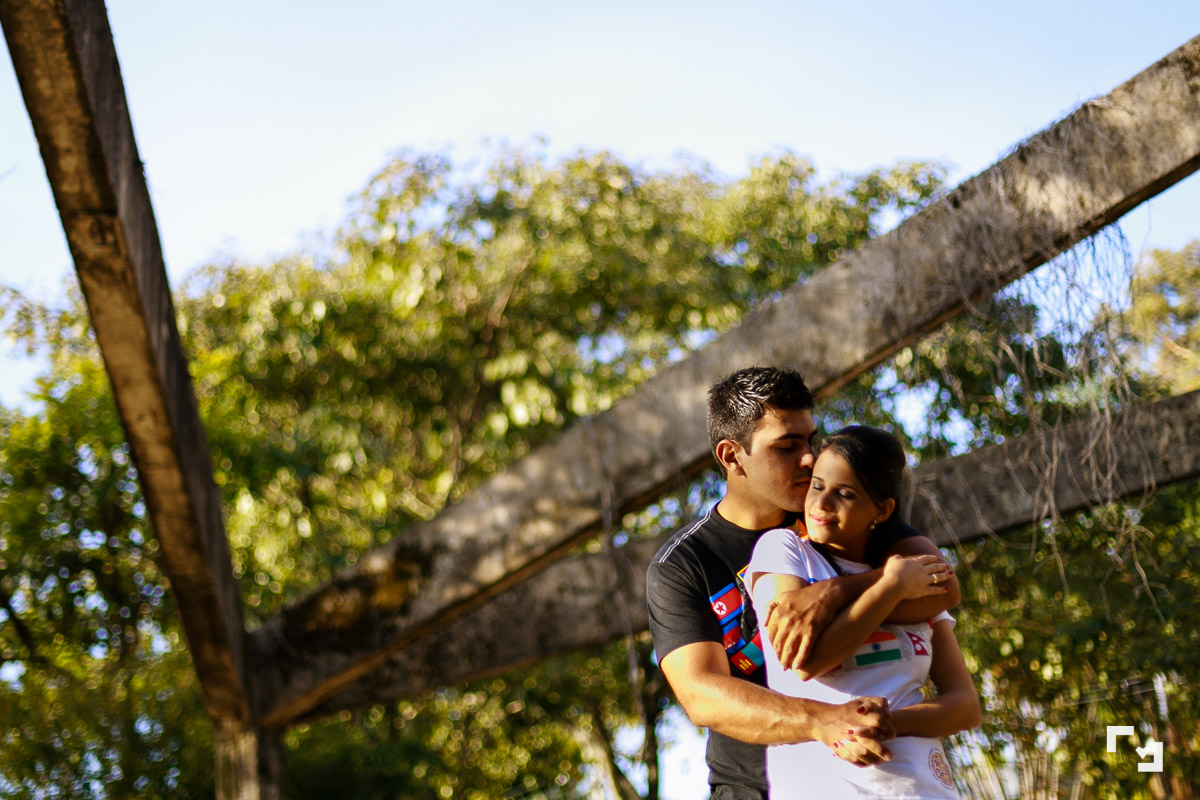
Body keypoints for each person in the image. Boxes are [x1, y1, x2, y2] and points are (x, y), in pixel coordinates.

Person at [646, 367, 961, 799]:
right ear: (731, 456)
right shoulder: (684, 563)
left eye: (810, 440)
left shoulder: (835, 516)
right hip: (752, 790)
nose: (809, 458)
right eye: (787, 446)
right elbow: (702, 693)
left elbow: (939, 586)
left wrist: (833, 590)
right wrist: (820, 720)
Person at [746, 425, 982, 798]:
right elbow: (807, 661)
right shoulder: (785, 552)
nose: (822, 505)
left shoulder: (911, 574)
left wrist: (891, 724)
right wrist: (889, 587)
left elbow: (965, 706)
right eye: (818, 486)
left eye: (845, 494)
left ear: (882, 509)